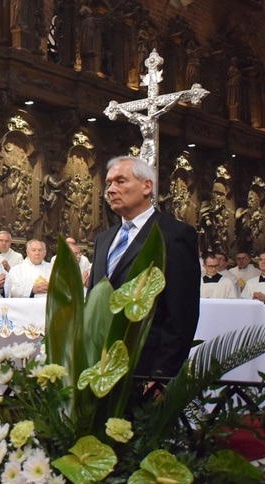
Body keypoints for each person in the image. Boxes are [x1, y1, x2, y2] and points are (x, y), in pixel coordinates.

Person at [88, 156, 200, 377]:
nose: (110, 190)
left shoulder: (174, 236)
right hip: (100, 366)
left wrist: (162, 375)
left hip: (144, 368)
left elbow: (181, 316)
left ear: (146, 186)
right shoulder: (104, 239)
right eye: (109, 183)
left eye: (120, 181)